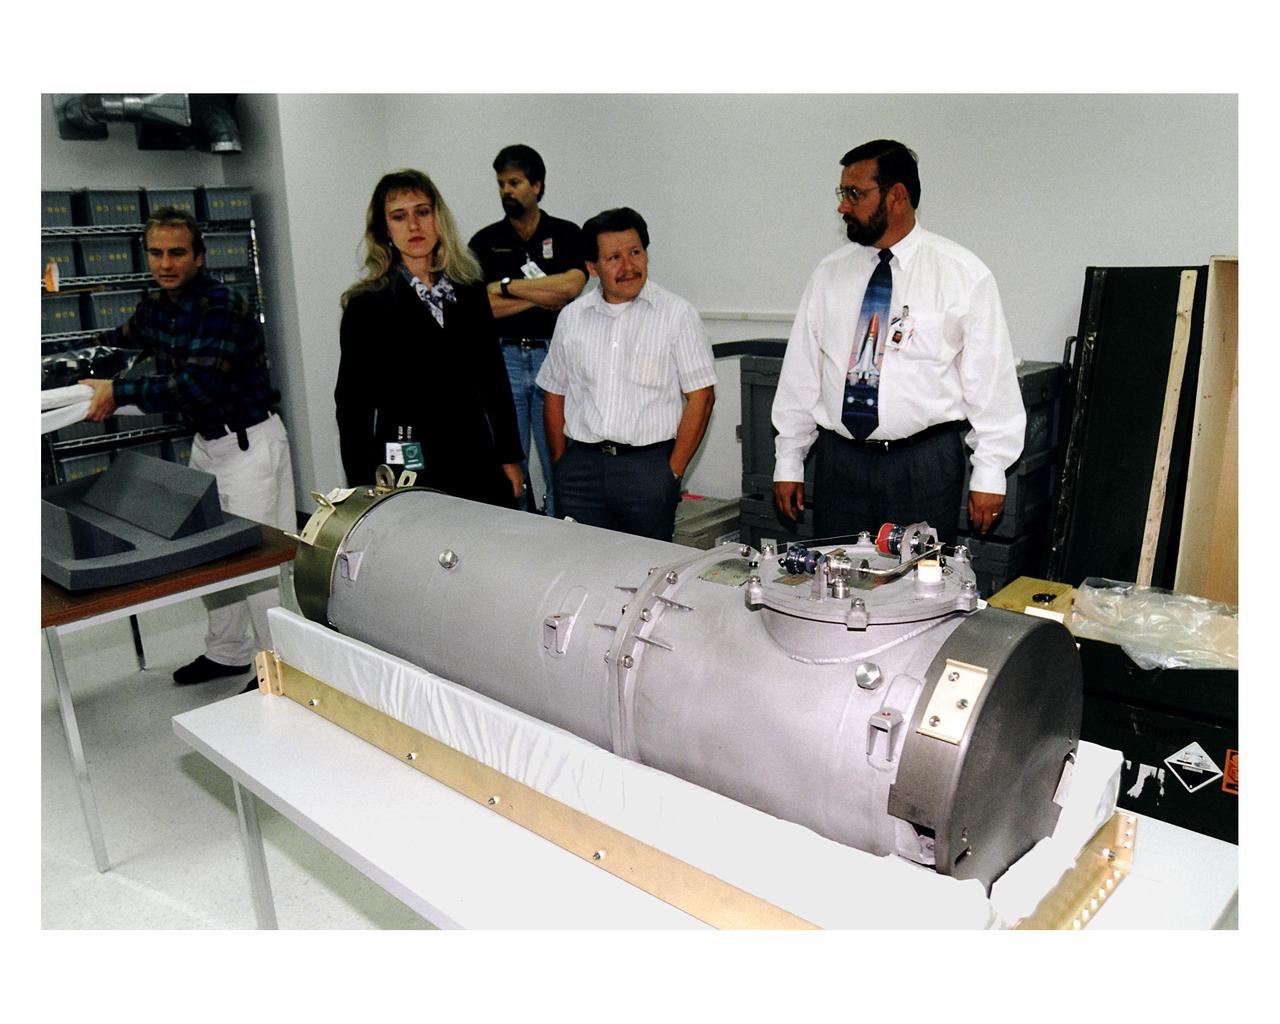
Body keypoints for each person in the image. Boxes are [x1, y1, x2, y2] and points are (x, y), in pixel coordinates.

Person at [79, 207, 296, 689]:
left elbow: (195, 385)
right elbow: (114, 347)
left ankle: (278, 668)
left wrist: (118, 394)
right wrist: (72, 376)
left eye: (177, 252)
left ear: (199, 255)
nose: (165, 262)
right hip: (206, 445)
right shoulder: (157, 307)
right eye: (156, 253)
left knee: (257, 565)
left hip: (249, 445)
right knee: (211, 559)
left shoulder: (221, 306)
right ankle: (229, 652)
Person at [771, 140, 1025, 544]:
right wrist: (789, 460)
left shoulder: (962, 274)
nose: (843, 206)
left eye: (855, 194)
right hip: (841, 464)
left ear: (897, 197)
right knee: (835, 586)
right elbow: (801, 372)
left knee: (917, 590)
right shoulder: (829, 274)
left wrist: (990, 471)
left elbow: (990, 383)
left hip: (924, 465)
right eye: (842, 194)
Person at [336, 169, 524, 509]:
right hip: (408, 465)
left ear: (438, 218)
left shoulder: (469, 291)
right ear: (384, 230)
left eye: (422, 211)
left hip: (475, 459)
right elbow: (353, 409)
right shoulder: (366, 306)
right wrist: (364, 488)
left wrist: (510, 457)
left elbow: (494, 381)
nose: (413, 226)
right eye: (399, 216)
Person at [536, 207, 716, 542]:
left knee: (645, 574)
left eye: (635, 252)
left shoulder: (677, 315)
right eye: (614, 257)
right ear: (592, 267)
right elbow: (553, 391)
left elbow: (701, 398)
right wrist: (562, 466)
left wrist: (672, 472)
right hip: (582, 470)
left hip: (647, 469)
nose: (628, 266)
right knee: (582, 567)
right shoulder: (572, 318)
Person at [468, 145, 587, 516]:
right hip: (503, 360)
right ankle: (517, 534)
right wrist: (541, 297)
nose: (507, 191)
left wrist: (503, 287)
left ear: (536, 185)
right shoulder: (484, 242)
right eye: (501, 184)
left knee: (560, 458)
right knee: (509, 460)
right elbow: (480, 305)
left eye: (515, 182)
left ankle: (560, 529)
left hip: (554, 357)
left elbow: (571, 287)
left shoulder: (566, 233)